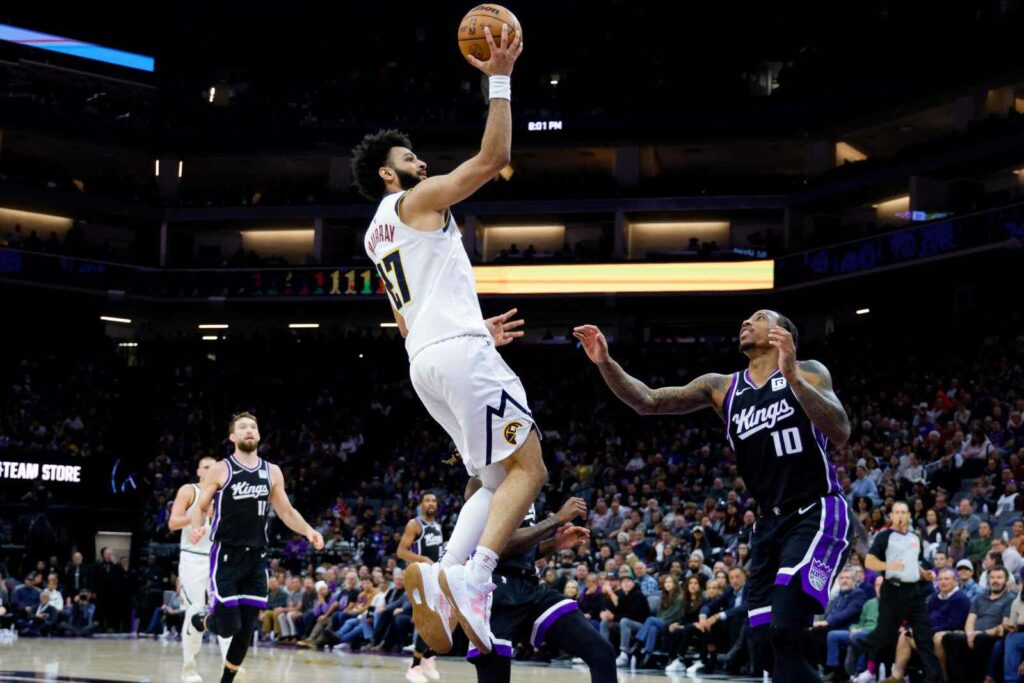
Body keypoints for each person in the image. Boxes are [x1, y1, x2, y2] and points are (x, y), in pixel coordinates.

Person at [354, 23, 541, 657]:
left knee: (493, 482)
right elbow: (490, 162)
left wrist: (470, 327)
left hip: (425, 361)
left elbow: (408, 319)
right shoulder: (412, 203)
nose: (421, 164)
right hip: (458, 356)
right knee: (530, 467)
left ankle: (444, 573)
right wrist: (500, 76)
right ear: (387, 174)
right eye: (409, 160)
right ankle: (476, 577)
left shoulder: (375, 237)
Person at [576, 310, 853, 682]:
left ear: (782, 333)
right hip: (768, 524)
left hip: (815, 512)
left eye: (758, 318)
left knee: (785, 629)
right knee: (764, 643)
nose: (745, 322)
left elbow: (840, 430)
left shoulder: (809, 371)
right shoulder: (722, 387)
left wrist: (792, 378)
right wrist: (606, 363)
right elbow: (648, 401)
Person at [184, 413, 324, 683]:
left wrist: (308, 530)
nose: (249, 431)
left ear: (258, 435)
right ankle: (201, 621)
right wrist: (198, 527)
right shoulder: (221, 469)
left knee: (246, 628)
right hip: (226, 554)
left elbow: (285, 510)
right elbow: (200, 507)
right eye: (242, 427)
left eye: (253, 427)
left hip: (257, 557)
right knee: (228, 626)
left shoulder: (271, 471)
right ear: (233, 437)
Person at [466, 478, 616, 683]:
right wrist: (557, 519)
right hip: (495, 591)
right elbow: (496, 545)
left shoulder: (526, 480)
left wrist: (554, 544)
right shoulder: (481, 482)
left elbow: (520, 549)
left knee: (601, 652)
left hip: (530, 587)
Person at [856, 501, 943, 683]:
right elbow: (870, 562)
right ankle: (865, 645)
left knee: (924, 637)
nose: (901, 516)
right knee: (886, 635)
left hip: (914, 591)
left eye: (904, 512)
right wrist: (890, 565)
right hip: (893, 590)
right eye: (897, 512)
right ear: (892, 516)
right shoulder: (884, 537)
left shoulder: (914, 538)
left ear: (909, 515)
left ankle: (935, 679)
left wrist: (924, 573)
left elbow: (915, 563)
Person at [168, 455, 231, 682]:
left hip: (217, 557)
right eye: (206, 467)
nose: (210, 470)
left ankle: (230, 665)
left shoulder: (223, 495)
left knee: (225, 609)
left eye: (215, 467)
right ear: (198, 471)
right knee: (195, 610)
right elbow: (173, 523)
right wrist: (199, 515)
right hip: (193, 557)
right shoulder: (189, 490)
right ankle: (189, 667)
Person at [878, 567, 970, 683]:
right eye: (940, 579)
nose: (943, 582)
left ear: (956, 581)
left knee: (937, 639)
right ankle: (897, 676)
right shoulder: (934, 598)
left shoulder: (960, 599)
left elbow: (954, 623)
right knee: (905, 635)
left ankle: (942, 677)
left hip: (951, 633)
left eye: (946, 579)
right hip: (930, 631)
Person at [396, 493, 447, 682]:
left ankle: (426, 658)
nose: (431, 503)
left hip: (434, 575)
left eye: (434, 500)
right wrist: (423, 559)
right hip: (420, 576)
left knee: (440, 618)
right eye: (427, 500)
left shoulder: (438, 527)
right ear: (421, 504)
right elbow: (401, 551)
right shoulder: (415, 524)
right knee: (428, 619)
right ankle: (415, 667)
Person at [941, 566, 1015, 683]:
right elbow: (970, 619)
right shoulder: (980, 597)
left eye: (999, 577)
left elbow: (1003, 626)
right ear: (988, 580)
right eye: (992, 577)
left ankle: (979, 679)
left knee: (981, 639)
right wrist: (970, 634)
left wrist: (980, 633)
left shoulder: (1010, 599)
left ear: (1006, 581)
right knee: (949, 638)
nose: (995, 580)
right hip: (973, 634)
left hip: (991, 635)